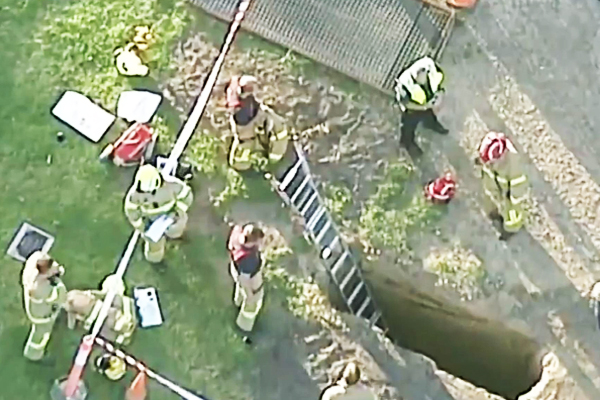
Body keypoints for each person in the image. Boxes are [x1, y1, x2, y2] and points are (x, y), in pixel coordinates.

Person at [124, 164, 193, 263]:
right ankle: (155, 259)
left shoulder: (173, 185)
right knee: (154, 245)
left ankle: (176, 236)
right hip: (152, 223)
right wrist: (143, 228)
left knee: (176, 230)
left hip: (172, 216)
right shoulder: (134, 196)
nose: (147, 196)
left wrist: (179, 211)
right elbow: (132, 213)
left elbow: (186, 196)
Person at [225, 75, 290, 171]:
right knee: (239, 162)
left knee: (240, 162)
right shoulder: (243, 110)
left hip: (257, 133)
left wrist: (272, 161)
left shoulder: (271, 123)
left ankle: (268, 161)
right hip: (249, 134)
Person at [477, 131, 528, 240]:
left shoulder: (514, 165)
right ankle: (496, 212)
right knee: (492, 198)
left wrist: (514, 200)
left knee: (512, 214)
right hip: (494, 184)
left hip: (507, 193)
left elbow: (519, 185)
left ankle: (511, 228)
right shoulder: (491, 143)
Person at [394, 56, 449, 157]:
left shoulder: (431, 67)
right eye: (417, 80)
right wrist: (424, 107)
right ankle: (407, 143)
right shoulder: (405, 84)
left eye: (422, 78)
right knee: (408, 128)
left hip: (427, 102)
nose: (420, 81)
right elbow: (406, 103)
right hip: (412, 110)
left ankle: (431, 125)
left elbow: (439, 79)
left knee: (430, 117)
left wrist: (440, 93)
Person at [64, 274, 137, 345]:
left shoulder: (92, 324)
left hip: (117, 319)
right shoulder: (104, 318)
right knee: (113, 281)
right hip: (118, 315)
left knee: (112, 282)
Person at [21, 251, 67, 361]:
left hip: (38, 304)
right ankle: (34, 353)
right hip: (41, 315)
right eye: (52, 267)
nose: (55, 265)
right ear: (44, 274)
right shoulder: (40, 289)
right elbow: (58, 298)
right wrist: (58, 282)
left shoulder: (35, 259)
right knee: (41, 333)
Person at [227, 223, 265, 342]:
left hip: (235, 270)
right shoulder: (249, 260)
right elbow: (244, 280)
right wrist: (250, 296)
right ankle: (243, 326)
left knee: (239, 290)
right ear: (252, 243)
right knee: (250, 307)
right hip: (250, 284)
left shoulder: (237, 232)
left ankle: (237, 302)